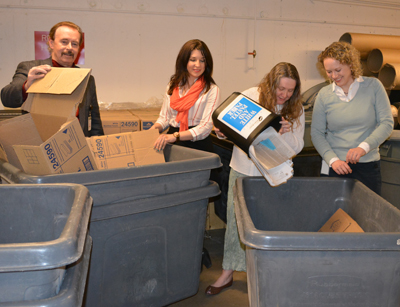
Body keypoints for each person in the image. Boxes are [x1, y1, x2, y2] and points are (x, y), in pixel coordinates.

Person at [206, 62, 304, 295]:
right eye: (281, 88)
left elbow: (297, 147)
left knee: (267, 222)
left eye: (290, 91)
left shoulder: (295, 109)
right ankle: (227, 273)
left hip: (273, 173)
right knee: (236, 222)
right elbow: (228, 126)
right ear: (272, 83)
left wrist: (288, 134)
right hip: (243, 169)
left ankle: (264, 272)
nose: (285, 94)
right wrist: (220, 130)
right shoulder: (251, 96)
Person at [311, 41, 393, 195]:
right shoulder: (324, 95)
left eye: (338, 70)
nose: (334, 76)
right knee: (332, 216)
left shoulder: (373, 87)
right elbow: (317, 133)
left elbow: (387, 124)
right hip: (334, 165)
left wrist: (363, 147)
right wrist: (333, 160)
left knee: (367, 216)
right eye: (329, 72)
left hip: (367, 166)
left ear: (351, 64)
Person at [1, 21, 103, 137]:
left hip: (76, 146)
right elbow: (6, 99)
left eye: (74, 44)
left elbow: (94, 119)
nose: (69, 48)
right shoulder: (31, 69)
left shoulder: (87, 79)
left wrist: (98, 146)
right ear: (51, 43)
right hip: (41, 145)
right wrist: (27, 85)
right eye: (64, 42)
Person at [150, 39, 220, 153]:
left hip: (197, 147)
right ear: (184, 61)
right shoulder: (173, 86)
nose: (198, 65)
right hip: (172, 144)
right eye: (193, 60)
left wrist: (175, 136)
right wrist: (152, 131)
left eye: (202, 60)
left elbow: (206, 127)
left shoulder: (212, 90)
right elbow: (165, 118)